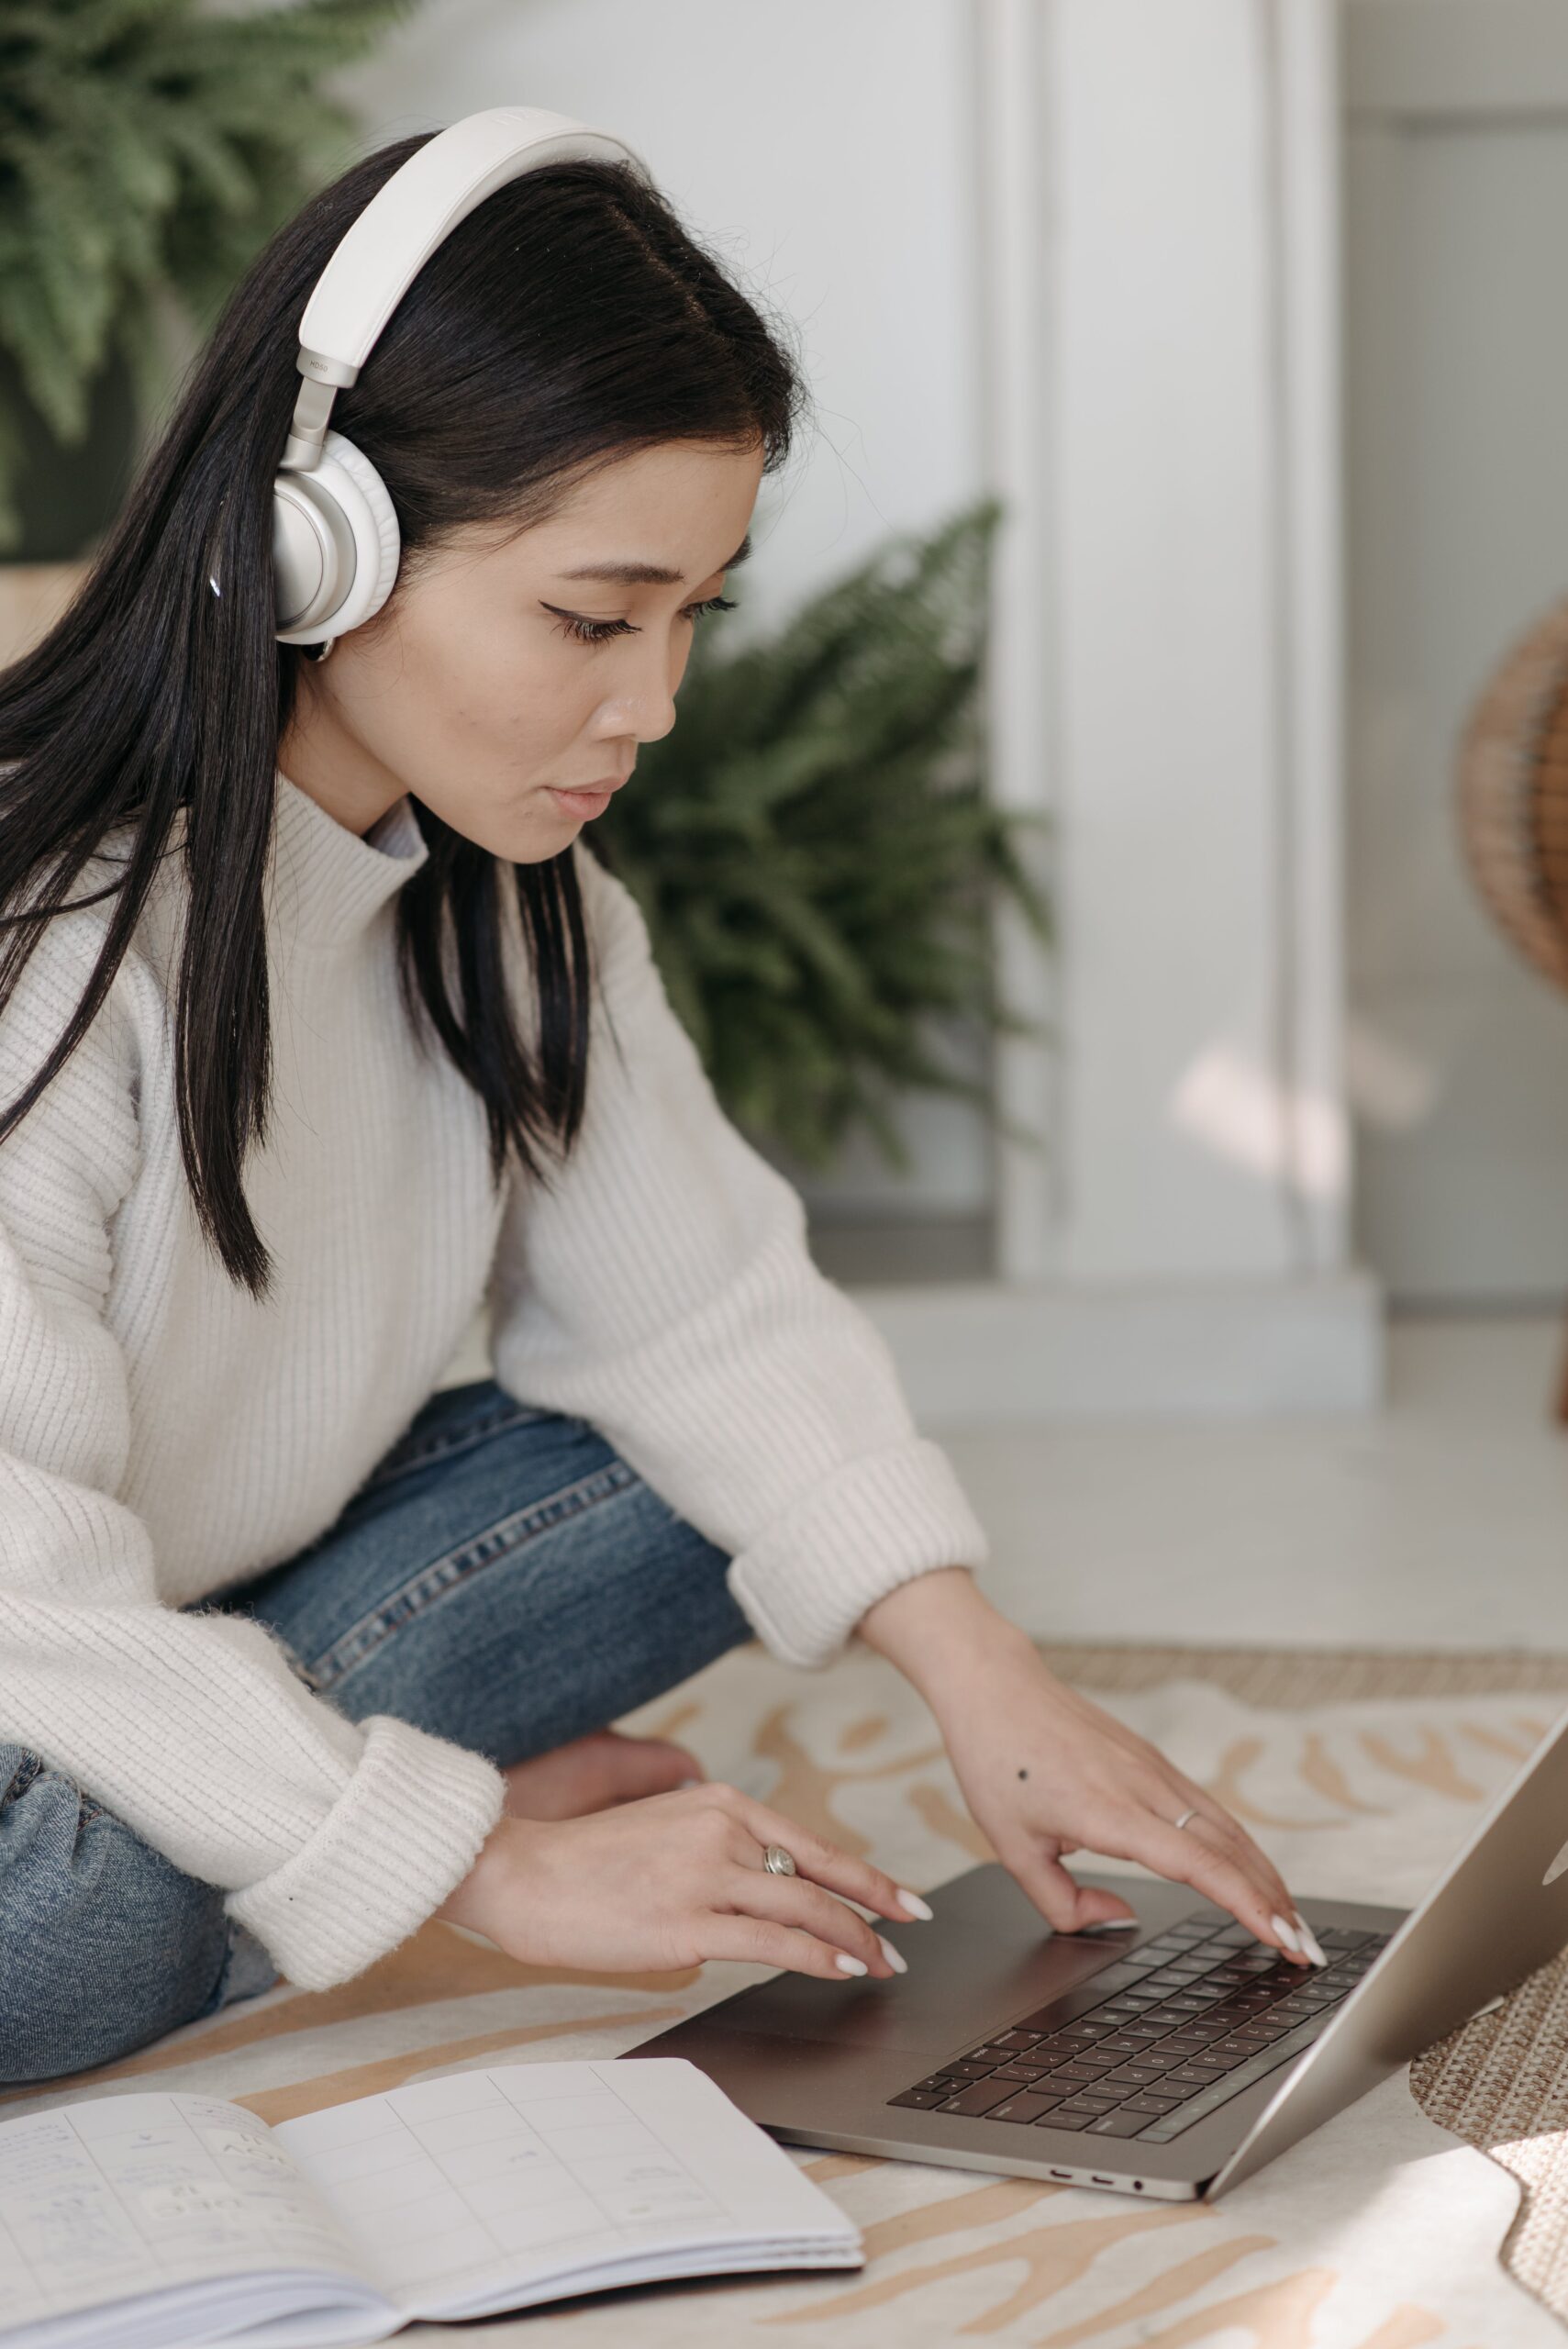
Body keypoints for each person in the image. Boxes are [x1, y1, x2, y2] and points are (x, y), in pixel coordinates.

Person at [0, 127, 1322, 2087]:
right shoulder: (61, 936)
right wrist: (491, 1868)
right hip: (28, 1649)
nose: (657, 702)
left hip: (166, 1608)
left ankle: (270, 1805)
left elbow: (708, 1310)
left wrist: (989, 1677)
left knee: (722, 1485)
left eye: (693, 613)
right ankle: (312, 1824)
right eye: (595, 617)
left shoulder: (530, 914)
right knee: (68, 1918)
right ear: (313, 545)